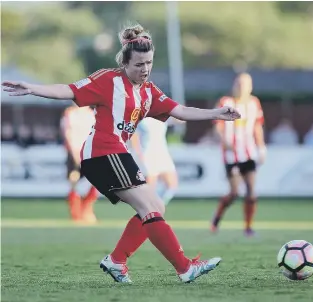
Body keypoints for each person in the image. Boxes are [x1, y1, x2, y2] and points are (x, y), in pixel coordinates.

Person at [2, 23, 240, 284]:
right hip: (102, 153)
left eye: (148, 63)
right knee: (150, 207)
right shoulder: (108, 80)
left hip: (117, 155)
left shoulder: (149, 91)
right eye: (139, 64)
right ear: (125, 63)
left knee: (156, 206)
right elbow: (68, 90)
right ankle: (184, 268)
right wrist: (33, 88)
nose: (145, 69)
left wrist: (216, 114)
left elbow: (180, 110)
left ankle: (117, 261)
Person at [211, 72, 266, 237]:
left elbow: (257, 127)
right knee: (235, 192)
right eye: (239, 84)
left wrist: (261, 147)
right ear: (234, 85)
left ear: (250, 87)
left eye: (245, 84)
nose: (241, 87)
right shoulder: (225, 102)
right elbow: (217, 126)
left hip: (248, 153)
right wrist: (224, 141)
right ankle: (217, 218)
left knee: (251, 191)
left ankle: (248, 227)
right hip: (231, 155)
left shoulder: (254, 103)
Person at [60, 104, 99, 222]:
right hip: (74, 152)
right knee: (74, 181)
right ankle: (76, 213)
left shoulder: (92, 114)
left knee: (95, 181)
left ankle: (87, 210)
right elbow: (67, 133)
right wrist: (74, 152)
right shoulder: (70, 113)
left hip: (89, 152)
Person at [131, 116, 179, 205]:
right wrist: (138, 152)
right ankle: (147, 211)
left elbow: (179, 119)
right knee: (150, 187)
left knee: (172, 185)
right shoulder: (140, 115)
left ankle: (157, 206)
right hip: (147, 153)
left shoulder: (162, 113)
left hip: (162, 153)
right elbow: (134, 135)